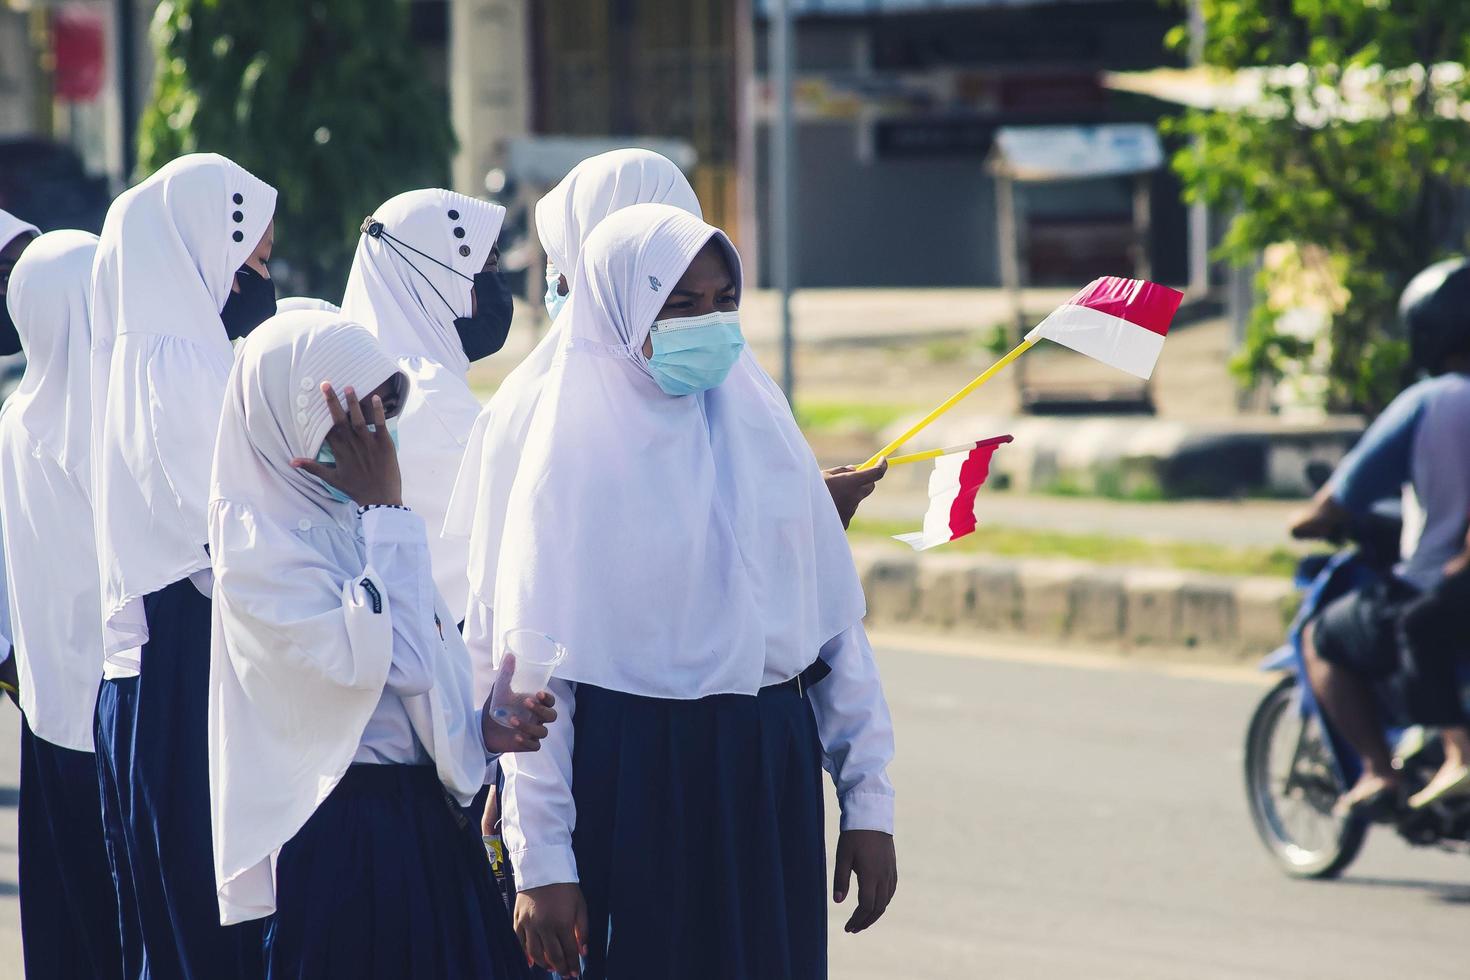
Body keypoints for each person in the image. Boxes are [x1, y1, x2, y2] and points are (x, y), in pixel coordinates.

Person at [489, 204, 898, 980]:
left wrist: (868, 805)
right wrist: (542, 859)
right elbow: (539, 688)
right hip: (636, 782)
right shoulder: (568, 465)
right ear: (620, 312)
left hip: (765, 776)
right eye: (679, 306)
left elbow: (835, 637)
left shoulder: (765, 434)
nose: (708, 324)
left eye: (723, 302)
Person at [207, 310, 552, 977]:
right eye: (353, 416)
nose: (376, 440)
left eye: (385, 414)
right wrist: (388, 513)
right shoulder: (259, 547)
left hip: (421, 831)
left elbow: (421, 683)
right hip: (344, 843)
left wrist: (480, 728)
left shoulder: (361, 520)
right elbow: (393, 665)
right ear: (290, 414)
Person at [90, 152, 279, 980]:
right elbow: (230, 531)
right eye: (255, 263)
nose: (259, 284)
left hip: (163, 657)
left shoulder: (145, 354)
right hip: (199, 655)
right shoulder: (184, 365)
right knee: (212, 921)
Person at [1290, 256, 1470, 817]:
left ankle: (1379, 770)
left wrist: (1311, 520)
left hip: (1445, 578)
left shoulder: (1431, 401)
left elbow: (1341, 496)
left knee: (1324, 635)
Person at [0, 230, 126, 979]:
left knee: (61, 920)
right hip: (118, 716)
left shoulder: (13, 421)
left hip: (44, 715)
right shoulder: (110, 421)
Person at [340, 188, 512, 619]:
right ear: (429, 277)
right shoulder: (427, 394)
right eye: (483, 266)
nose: (492, 288)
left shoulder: (357, 373)